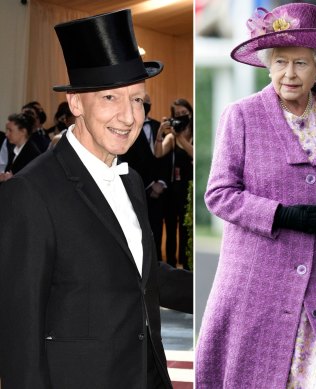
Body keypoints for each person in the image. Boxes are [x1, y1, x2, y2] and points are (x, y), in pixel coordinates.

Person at [0, 9, 191, 389]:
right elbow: (19, 332)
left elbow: (144, 274)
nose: (128, 116)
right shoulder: (30, 192)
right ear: (75, 104)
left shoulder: (132, 179)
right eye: (110, 97)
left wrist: (228, 283)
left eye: (138, 100)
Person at [195, 3, 316, 388]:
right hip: (254, 287)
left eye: (300, 63)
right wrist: (281, 215)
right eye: (280, 62)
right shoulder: (240, 116)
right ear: (267, 64)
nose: (289, 74)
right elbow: (219, 194)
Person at [120, 94, 170, 262]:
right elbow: (127, 160)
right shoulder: (126, 128)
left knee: (157, 231)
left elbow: (166, 159)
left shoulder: (159, 126)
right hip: (137, 189)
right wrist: (149, 184)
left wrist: (161, 183)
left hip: (160, 190)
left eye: (146, 102)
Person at [154, 98, 193, 269]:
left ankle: (185, 265)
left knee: (185, 230)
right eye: (177, 115)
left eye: (183, 113)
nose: (181, 117)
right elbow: (158, 154)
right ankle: (170, 265)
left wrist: (180, 137)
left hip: (188, 189)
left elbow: (194, 154)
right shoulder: (171, 137)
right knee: (170, 228)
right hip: (173, 189)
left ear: (190, 113)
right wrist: (160, 133)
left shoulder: (193, 134)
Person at [0, 112, 41, 183]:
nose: (6, 134)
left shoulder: (32, 154)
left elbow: (31, 182)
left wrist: (11, 179)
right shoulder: (14, 150)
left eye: (10, 130)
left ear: (23, 131)